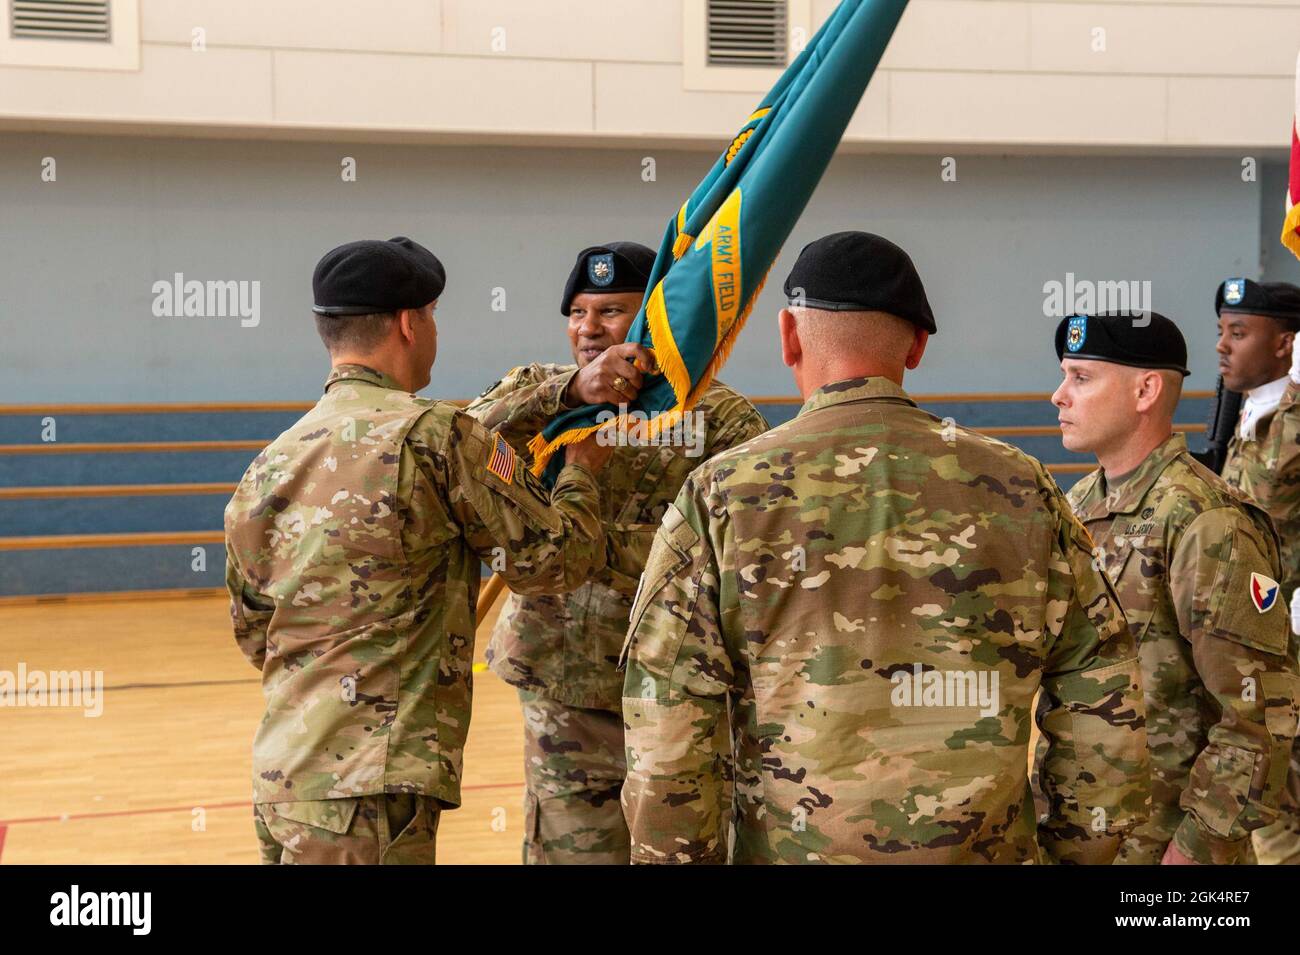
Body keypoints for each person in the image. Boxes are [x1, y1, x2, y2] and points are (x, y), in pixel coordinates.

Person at [620, 231, 1150, 864]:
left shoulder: (722, 495)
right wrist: (1077, 853)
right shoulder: (1022, 488)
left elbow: (667, 719)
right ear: (919, 345)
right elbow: (1103, 695)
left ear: (788, 334)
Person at [224, 236, 622, 865]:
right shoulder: (435, 436)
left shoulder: (271, 462)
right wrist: (580, 471)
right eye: (432, 316)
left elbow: (254, 634)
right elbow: (555, 561)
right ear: (410, 324)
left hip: (283, 779)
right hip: (375, 781)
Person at [465, 241, 768, 864]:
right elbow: (458, 449)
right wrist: (569, 393)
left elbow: (738, 553)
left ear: (653, 318)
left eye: (610, 311)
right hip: (562, 687)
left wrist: (579, 546)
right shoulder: (538, 393)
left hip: (674, 689)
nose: (588, 328)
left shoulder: (719, 420)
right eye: (577, 311)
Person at [1052, 309, 1299, 864]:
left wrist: (1195, 853)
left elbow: (1258, 716)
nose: (1059, 396)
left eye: (1081, 377)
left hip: (1167, 852)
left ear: (1145, 390)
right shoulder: (1078, 505)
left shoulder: (1209, 522)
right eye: (1064, 375)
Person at [1214, 277, 1300, 864]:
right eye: (1221, 331)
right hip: (1255, 633)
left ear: (1286, 343)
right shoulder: (1243, 414)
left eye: (1239, 332)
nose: (1222, 345)